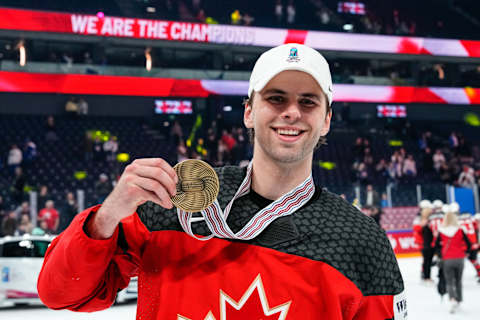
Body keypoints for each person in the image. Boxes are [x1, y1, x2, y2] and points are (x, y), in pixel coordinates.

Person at [37, 44, 406, 319]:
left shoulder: (361, 241)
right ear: (248, 111)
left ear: (326, 120)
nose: (291, 112)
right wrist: (107, 216)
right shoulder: (178, 202)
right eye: (275, 98)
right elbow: (61, 294)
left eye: (308, 102)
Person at [435, 208, 471, 314]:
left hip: (447, 259)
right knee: (458, 280)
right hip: (460, 258)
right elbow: (468, 244)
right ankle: (459, 299)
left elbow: (436, 246)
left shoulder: (441, 231)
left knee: (449, 281)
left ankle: (452, 299)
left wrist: (441, 254)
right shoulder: (460, 230)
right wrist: (465, 252)